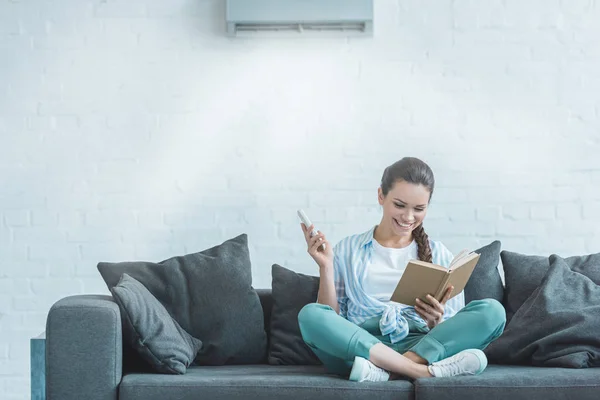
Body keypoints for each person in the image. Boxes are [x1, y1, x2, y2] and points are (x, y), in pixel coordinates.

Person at [297, 157, 506, 382]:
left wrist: (435, 322)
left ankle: (385, 371)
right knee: (311, 314)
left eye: (419, 209)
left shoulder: (440, 254)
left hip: (418, 345)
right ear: (381, 196)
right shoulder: (349, 249)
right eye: (399, 205)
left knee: (493, 312)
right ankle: (419, 371)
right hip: (362, 345)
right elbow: (331, 318)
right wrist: (326, 267)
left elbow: (451, 330)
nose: (408, 217)